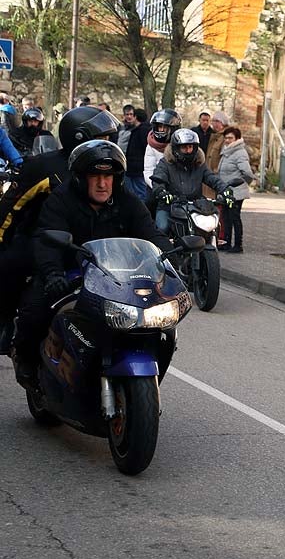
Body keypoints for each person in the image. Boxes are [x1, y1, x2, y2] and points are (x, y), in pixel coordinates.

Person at [11, 140, 172, 391]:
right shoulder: (60, 200)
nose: (102, 183)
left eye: (108, 176)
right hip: (67, 274)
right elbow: (46, 241)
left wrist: (169, 257)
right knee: (34, 311)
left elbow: (150, 233)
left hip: (113, 277)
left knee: (153, 319)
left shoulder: (126, 201)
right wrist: (53, 274)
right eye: (94, 175)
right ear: (79, 178)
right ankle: (27, 363)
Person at [0, 106, 120, 354]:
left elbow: (131, 211)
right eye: (102, 138)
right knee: (9, 266)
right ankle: (6, 325)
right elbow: (12, 208)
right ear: (79, 137)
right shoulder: (44, 167)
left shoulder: (109, 168)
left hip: (91, 245)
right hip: (42, 239)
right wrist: (1, 238)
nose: (108, 144)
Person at [150, 128, 232, 234]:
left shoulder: (199, 164)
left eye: (191, 147)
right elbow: (158, 179)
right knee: (162, 228)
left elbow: (212, 178)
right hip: (169, 206)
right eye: (184, 147)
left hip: (195, 207)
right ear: (175, 148)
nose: (188, 150)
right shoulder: (165, 163)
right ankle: (161, 250)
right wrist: (162, 192)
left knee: (211, 229)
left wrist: (225, 190)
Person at [217, 126, 254, 253]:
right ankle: (226, 243)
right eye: (226, 138)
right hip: (227, 191)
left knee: (234, 218)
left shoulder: (239, 152)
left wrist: (243, 185)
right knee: (226, 218)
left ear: (237, 139)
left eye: (230, 138)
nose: (227, 140)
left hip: (237, 192)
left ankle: (238, 245)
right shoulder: (227, 151)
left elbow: (248, 173)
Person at [143, 109, 182, 190]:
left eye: (165, 127)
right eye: (160, 127)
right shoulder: (151, 145)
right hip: (157, 187)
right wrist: (158, 188)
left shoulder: (181, 145)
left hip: (178, 187)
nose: (161, 130)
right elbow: (148, 170)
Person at [123, 108, 150, 200]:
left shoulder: (141, 130)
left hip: (137, 168)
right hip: (135, 167)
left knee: (140, 193)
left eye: (132, 115)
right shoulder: (138, 130)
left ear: (136, 117)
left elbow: (144, 148)